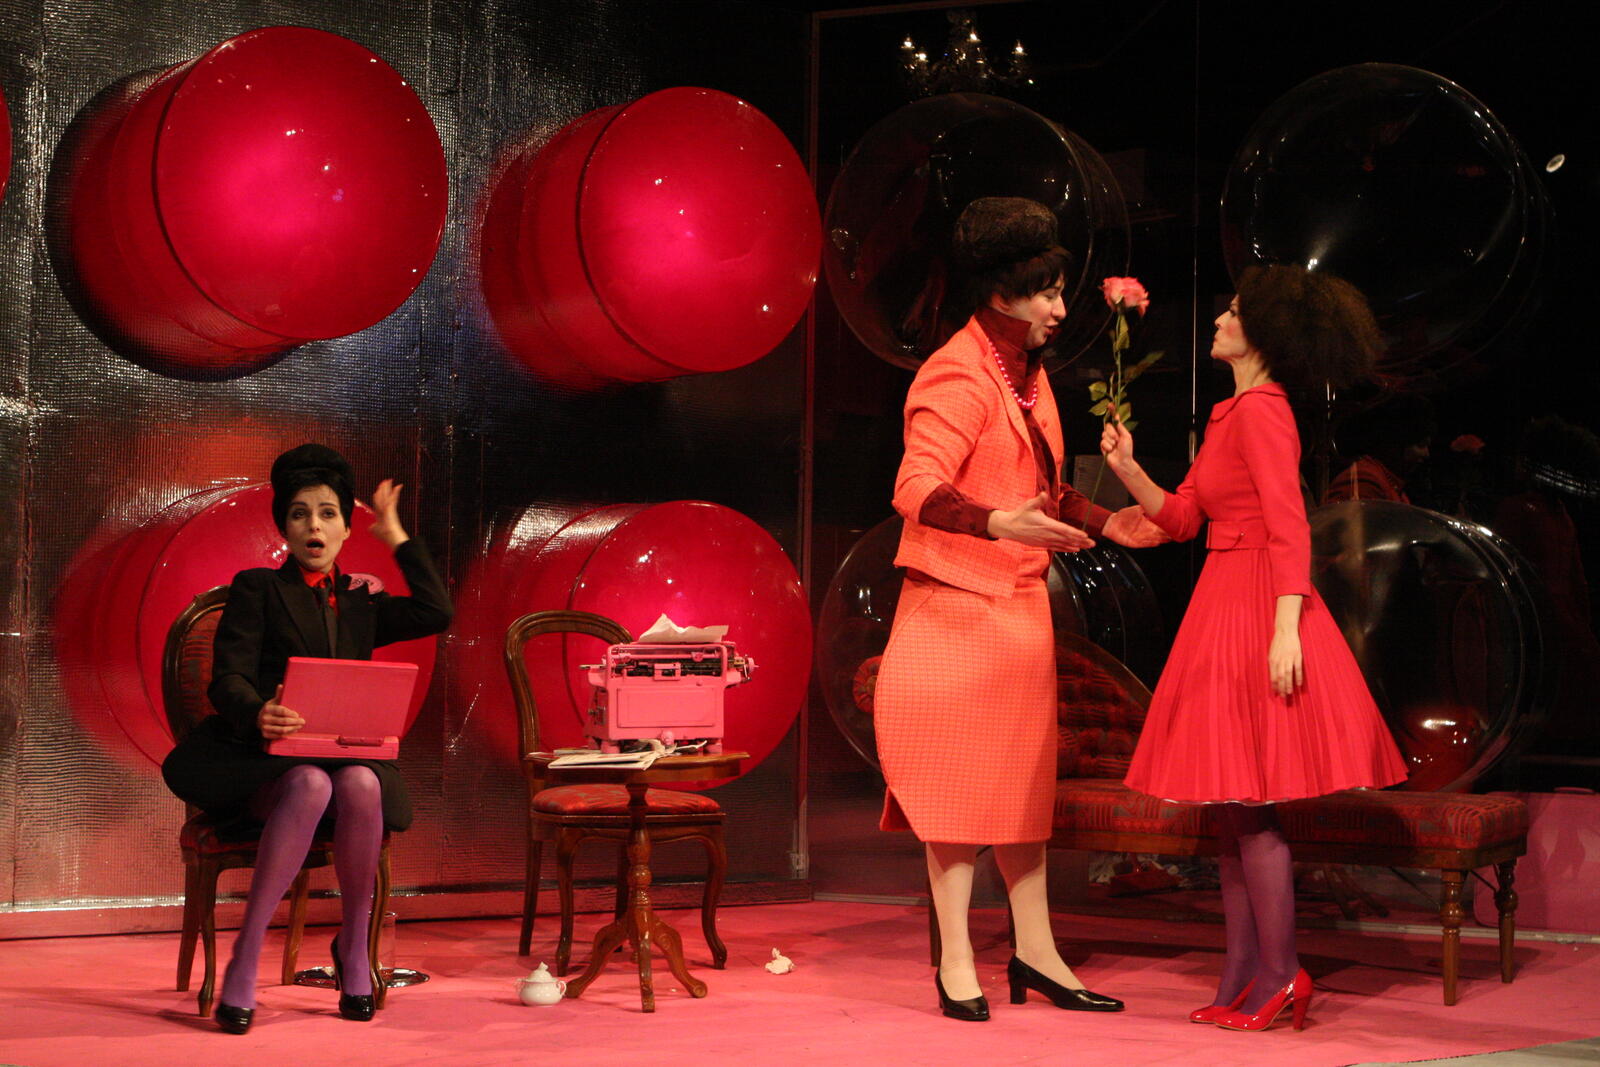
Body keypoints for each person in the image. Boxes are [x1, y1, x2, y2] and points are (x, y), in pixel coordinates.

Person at [873, 197, 1166, 1022]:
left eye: (1061, 290)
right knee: (957, 794)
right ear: (1002, 292)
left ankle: (1036, 950)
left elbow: (1044, 491)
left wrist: (1111, 522)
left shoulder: (1026, 377)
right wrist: (1000, 522)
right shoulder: (958, 372)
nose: (1060, 308)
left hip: (1018, 613)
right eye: (1045, 293)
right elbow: (916, 486)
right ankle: (957, 958)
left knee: (1020, 797)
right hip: (956, 612)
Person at [1099, 264, 1407, 1033]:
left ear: (1262, 332)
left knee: (1254, 804)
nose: (1218, 320)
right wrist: (1128, 467)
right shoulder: (1228, 413)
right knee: (1232, 812)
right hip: (1222, 595)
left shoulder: (1266, 411)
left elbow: (1289, 522)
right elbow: (1182, 518)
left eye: (1232, 312)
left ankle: (1279, 971)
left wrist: (1285, 625)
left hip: (1258, 598)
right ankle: (1242, 971)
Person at [161, 444, 452, 1033]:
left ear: (346, 528)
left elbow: (435, 611)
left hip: (344, 765)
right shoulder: (258, 588)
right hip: (266, 766)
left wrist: (396, 536)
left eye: (326, 513)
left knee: (362, 784)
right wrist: (258, 711)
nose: (313, 526)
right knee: (311, 783)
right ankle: (247, 954)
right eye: (299, 514)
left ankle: (354, 948)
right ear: (284, 528)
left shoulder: (363, 601)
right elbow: (227, 678)